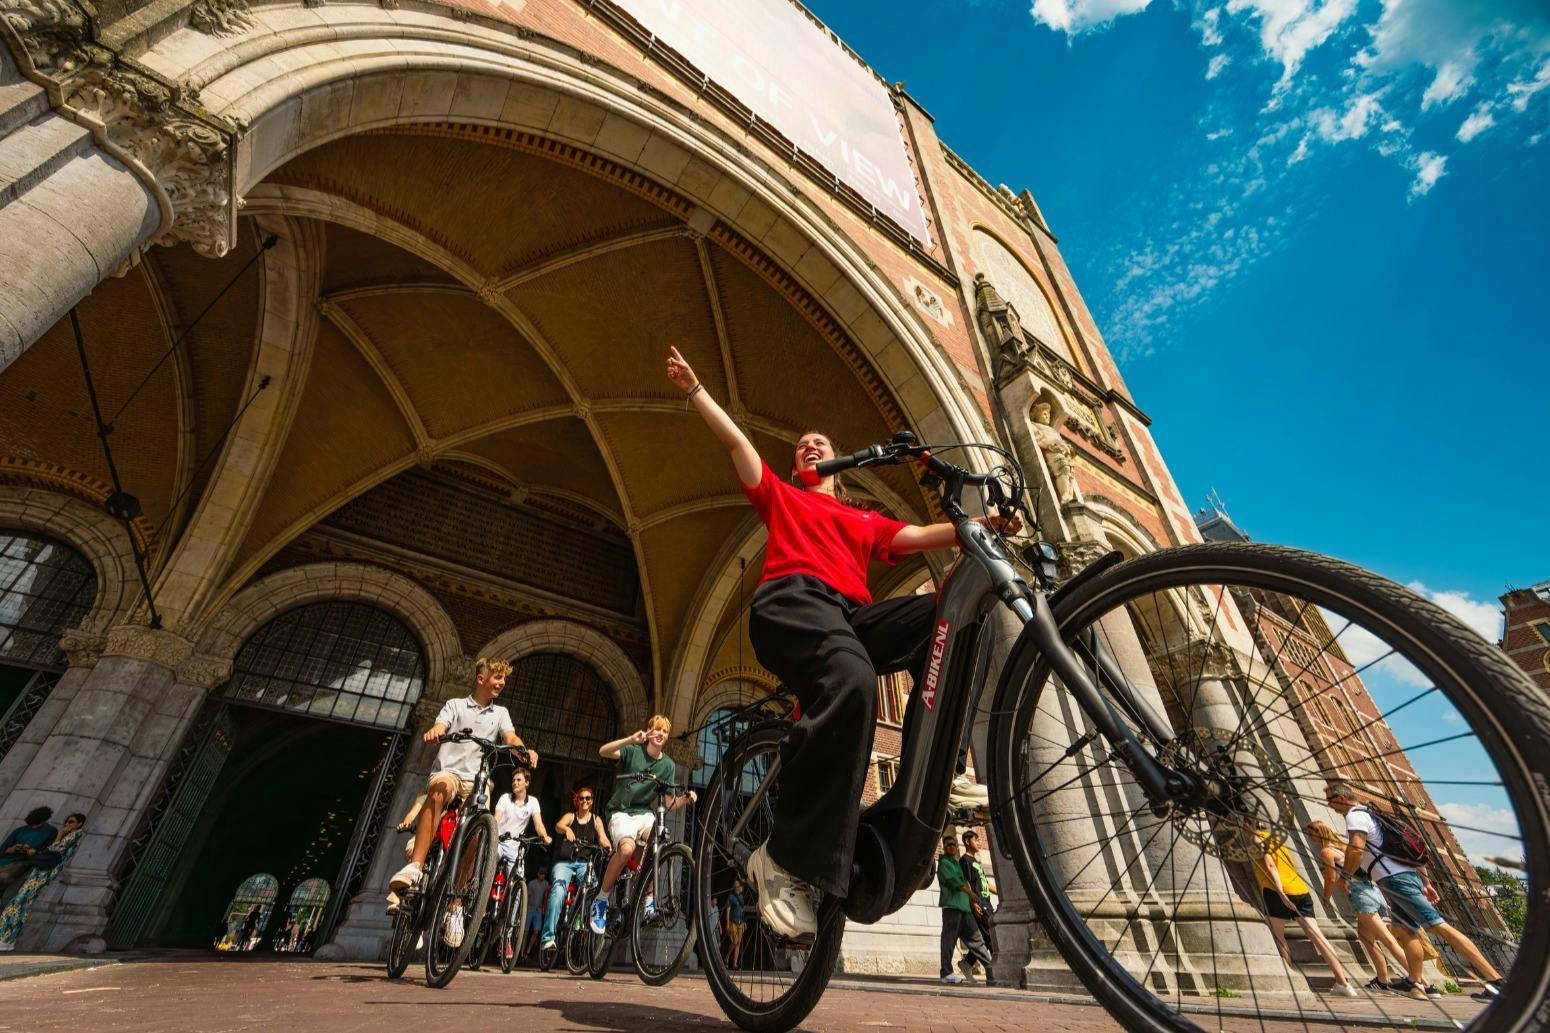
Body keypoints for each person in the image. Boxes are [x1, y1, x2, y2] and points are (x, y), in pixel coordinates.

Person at [665, 346, 1018, 938]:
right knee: (853, 675)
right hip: (791, 605)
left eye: (821, 443)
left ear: (839, 463)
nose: (810, 445)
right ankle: (781, 858)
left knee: (955, 615)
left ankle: (939, 764)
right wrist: (697, 389)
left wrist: (985, 526)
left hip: (850, 617)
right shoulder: (784, 496)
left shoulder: (862, 519)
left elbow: (926, 534)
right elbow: (738, 447)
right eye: (802, 444)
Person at [388, 657, 538, 925]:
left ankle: (456, 906)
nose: (501, 683)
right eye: (497, 677)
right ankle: (415, 867)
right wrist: (436, 731)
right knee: (439, 788)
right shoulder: (454, 705)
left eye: (504, 679)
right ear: (480, 679)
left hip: (476, 781)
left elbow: (510, 738)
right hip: (450, 773)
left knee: (479, 828)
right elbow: (441, 725)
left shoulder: (500, 713)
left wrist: (523, 750)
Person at [1325, 781, 1505, 1002]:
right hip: (1398, 879)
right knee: (1406, 931)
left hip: (1396, 880)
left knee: (1440, 926)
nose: (1329, 805)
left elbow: (1356, 849)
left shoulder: (1355, 815)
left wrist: (1345, 877)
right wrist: (1426, 883)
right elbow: (1409, 856)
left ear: (1341, 798)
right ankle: (1416, 982)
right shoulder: (1372, 815)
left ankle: (1495, 981)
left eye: (1330, 800)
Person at [589, 716, 696, 934]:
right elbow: (603, 751)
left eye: (665, 731)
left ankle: (648, 901)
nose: (661, 734)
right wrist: (630, 739)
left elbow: (668, 802)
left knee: (660, 841)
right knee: (627, 849)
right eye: (657, 729)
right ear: (648, 731)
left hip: (644, 814)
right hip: (621, 811)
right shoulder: (634, 751)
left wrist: (687, 798)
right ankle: (601, 899)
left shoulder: (668, 765)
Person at [1246, 821, 1358, 996]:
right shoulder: (1278, 840)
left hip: (1277, 890)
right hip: (1300, 890)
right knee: (1317, 936)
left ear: (1248, 824)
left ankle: (1292, 981)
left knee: (1279, 936)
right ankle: (1343, 983)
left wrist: (1281, 892)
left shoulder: (1257, 839)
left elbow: (1270, 865)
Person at [1307, 818, 1407, 992]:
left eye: (1311, 834)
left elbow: (1330, 878)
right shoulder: (1343, 848)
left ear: (1319, 833)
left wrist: (1326, 898)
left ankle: (1419, 980)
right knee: (1366, 938)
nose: (1310, 838)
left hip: (1362, 896)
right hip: (1373, 892)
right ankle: (1383, 980)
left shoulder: (1327, 852)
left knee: (1387, 939)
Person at [540, 786, 611, 953]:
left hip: (584, 863)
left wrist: (608, 847)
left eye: (588, 798)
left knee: (592, 887)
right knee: (558, 889)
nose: (584, 801)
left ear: (592, 801)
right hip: (565, 862)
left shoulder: (596, 819)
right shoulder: (570, 816)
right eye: (581, 798)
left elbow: (602, 837)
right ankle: (548, 938)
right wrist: (567, 829)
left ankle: (579, 917)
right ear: (577, 801)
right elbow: (558, 826)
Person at [0, 812, 84, 951]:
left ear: (79, 824)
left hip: (43, 873)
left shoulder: (74, 835)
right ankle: (8, 940)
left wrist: (59, 834)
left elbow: (54, 849)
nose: (67, 825)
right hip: (41, 873)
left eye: (71, 822)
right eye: (66, 822)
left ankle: (5, 938)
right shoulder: (72, 836)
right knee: (22, 903)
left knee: (19, 903)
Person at [496, 766, 550, 960]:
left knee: (518, 888)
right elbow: (496, 820)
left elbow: (538, 823)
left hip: (515, 847)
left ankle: (506, 938)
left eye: (519, 780)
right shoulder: (504, 798)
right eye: (513, 780)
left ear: (527, 782)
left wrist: (545, 836)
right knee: (485, 864)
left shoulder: (532, 802)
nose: (515, 783)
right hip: (499, 841)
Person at [937, 834, 993, 984]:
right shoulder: (943, 864)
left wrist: (972, 899)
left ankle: (992, 969)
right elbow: (954, 882)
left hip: (965, 909)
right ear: (943, 846)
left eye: (953, 844)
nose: (952, 846)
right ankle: (946, 973)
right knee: (949, 941)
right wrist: (971, 894)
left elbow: (966, 883)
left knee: (977, 940)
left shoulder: (956, 863)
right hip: (952, 908)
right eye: (948, 844)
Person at [0, 807, 58, 902]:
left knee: (4, 876)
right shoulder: (20, 830)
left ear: (44, 821)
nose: (33, 827)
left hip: (23, 862)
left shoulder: (50, 831)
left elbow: (49, 852)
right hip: (6, 860)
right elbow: (2, 849)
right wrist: (9, 850)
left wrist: (33, 852)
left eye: (36, 824)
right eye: (31, 825)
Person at [959, 830, 996, 973]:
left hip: (986, 902)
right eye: (976, 840)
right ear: (967, 841)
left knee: (986, 936)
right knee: (990, 935)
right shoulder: (965, 861)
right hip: (979, 902)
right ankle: (997, 967)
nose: (978, 843)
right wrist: (973, 902)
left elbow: (985, 883)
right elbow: (966, 882)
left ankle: (967, 963)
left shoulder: (976, 862)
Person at [521, 870, 549, 962]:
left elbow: (549, 890)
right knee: (525, 932)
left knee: (536, 932)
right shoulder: (531, 883)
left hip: (538, 910)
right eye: (541, 874)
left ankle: (528, 951)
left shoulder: (545, 884)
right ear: (538, 874)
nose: (542, 876)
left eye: (544, 874)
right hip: (530, 908)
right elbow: (527, 896)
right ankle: (521, 953)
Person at [722, 879, 747, 969]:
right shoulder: (731, 897)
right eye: (741, 886)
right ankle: (727, 957)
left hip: (740, 922)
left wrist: (744, 921)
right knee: (735, 941)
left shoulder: (741, 897)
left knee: (738, 943)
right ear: (737, 887)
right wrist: (727, 924)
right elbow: (727, 911)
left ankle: (735, 964)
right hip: (733, 922)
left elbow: (742, 910)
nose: (742, 888)